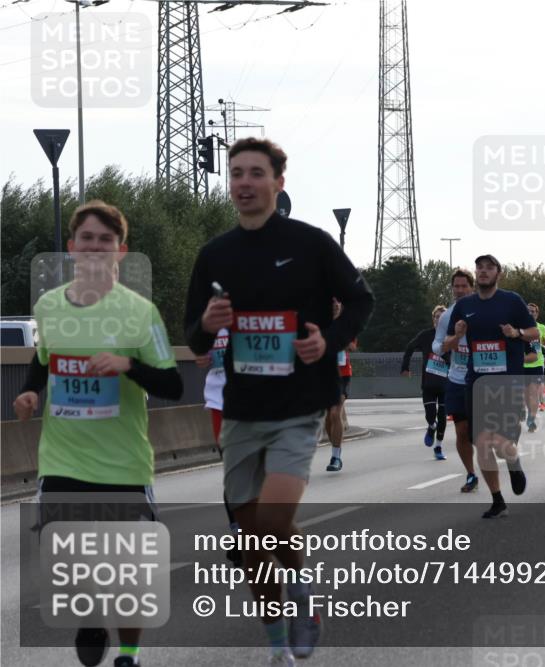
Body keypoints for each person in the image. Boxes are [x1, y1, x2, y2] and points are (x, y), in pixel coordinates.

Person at [183, 137, 374, 664]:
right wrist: (206, 324)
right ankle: (277, 647)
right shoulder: (214, 255)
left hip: (299, 406)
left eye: (255, 173)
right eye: (236, 173)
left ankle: (303, 600)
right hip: (242, 411)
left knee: (268, 525)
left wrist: (327, 341)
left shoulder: (311, 243)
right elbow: (194, 339)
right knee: (251, 548)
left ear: (278, 183)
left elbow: (361, 299)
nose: (244, 182)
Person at [13, 200, 183, 667]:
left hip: (124, 463)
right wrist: (30, 393)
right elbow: (43, 360)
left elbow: (173, 384)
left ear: (120, 252)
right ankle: (89, 614)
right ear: (72, 248)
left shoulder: (140, 312)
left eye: (105, 240)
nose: (95, 247)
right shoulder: (49, 306)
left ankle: (127, 653)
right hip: (63, 460)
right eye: (86, 238)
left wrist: (129, 365)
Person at [445, 254, 537, 519]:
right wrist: (458, 335)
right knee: (481, 442)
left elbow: (534, 334)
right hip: (476, 382)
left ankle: (513, 461)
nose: (483, 272)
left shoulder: (512, 301)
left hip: (507, 382)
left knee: (500, 441)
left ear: (499, 272)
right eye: (480, 268)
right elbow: (448, 345)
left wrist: (516, 334)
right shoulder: (465, 306)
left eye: (489, 268)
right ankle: (498, 500)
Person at [194, 328, 243, 567]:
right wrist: (200, 353)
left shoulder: (254, 306)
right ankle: (238, 536)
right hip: (219, 402)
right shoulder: (209, 314)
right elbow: (197, 341)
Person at [433, 269, 479, 492]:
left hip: (482, 380)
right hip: (457, 379)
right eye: (456, 286)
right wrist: (457, 337)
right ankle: (471, 474)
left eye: (464, 286)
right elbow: (438, 347)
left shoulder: (484, 311)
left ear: (472, 287)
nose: (460, 291)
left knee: (481, 433)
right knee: (462, 432)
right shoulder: (446, 316)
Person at [402, 306, 450, 460]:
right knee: (431, 415)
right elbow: (409, 348)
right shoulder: (425, 336)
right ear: (433, 319)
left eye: (442, 317)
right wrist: (405, 367)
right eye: (436, 316)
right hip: (428, 383)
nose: (439, 319)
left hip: (446, 384)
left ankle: (438, 447)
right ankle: (431, 426)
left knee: (442, 417)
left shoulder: (452, 337)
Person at [326, 300, 357, 473]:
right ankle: (335, 446)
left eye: (338, 302)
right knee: (327, 418)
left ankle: (336, 456)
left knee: (335, 412)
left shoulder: (348, 324)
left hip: (342, 374)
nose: (335, 305)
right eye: (331, 302)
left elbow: (352, 347)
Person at [523, 303, 545, 432]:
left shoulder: (541, 327)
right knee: (526, 396)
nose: (530, 313)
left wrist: (544, 339)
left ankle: (531, 420)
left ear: (537, 314)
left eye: (533, 311)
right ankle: (530, 413)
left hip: (537, 364)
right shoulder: (520, 327)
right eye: (528, 311)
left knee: (533, 394)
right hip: (522, 365)